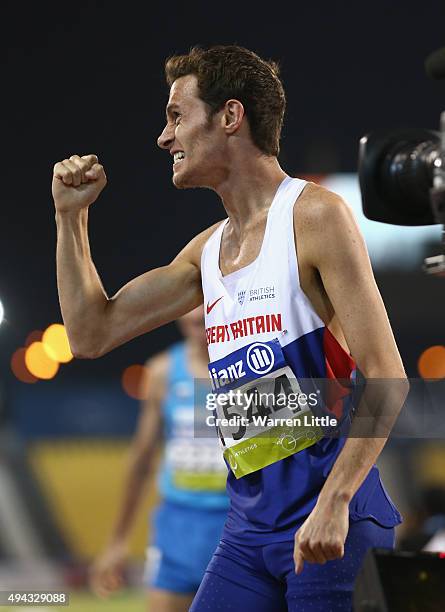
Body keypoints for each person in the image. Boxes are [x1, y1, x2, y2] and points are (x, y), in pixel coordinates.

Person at [52, 45, 408, 611]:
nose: (163, 138)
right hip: (247, 533)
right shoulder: (207, 253)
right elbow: (90, 333)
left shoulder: (315, 217)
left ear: (230, 117)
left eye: (175, 116)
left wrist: (335, 501)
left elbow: (387, 376)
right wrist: (70, 218)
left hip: (330, 525)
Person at [89, 306, 229, 611]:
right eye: (188, 306)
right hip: (176, 531)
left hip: (238, 527)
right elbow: (141, 460)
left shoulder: (253, 369)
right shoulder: (163, 372)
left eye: (205, 305)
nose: (196, 316)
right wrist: (117, 541)